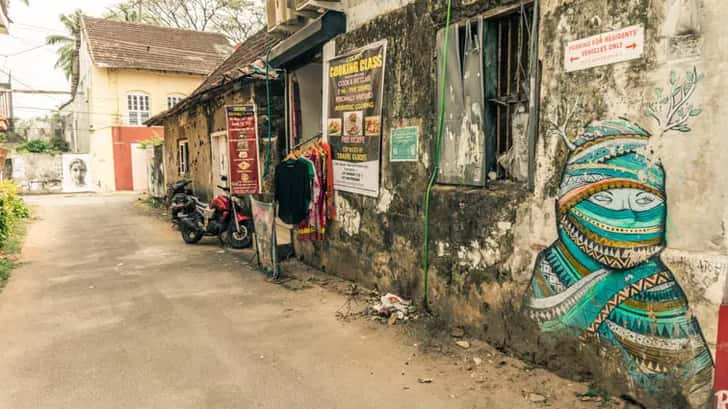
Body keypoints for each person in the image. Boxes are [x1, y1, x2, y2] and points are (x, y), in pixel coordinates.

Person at [525, 119, 713, 400]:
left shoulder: (655, 287)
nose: (626, 218)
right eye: (605, 200)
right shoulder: (550, 263)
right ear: (567, 205)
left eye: (644, 202)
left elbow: (696, 383)